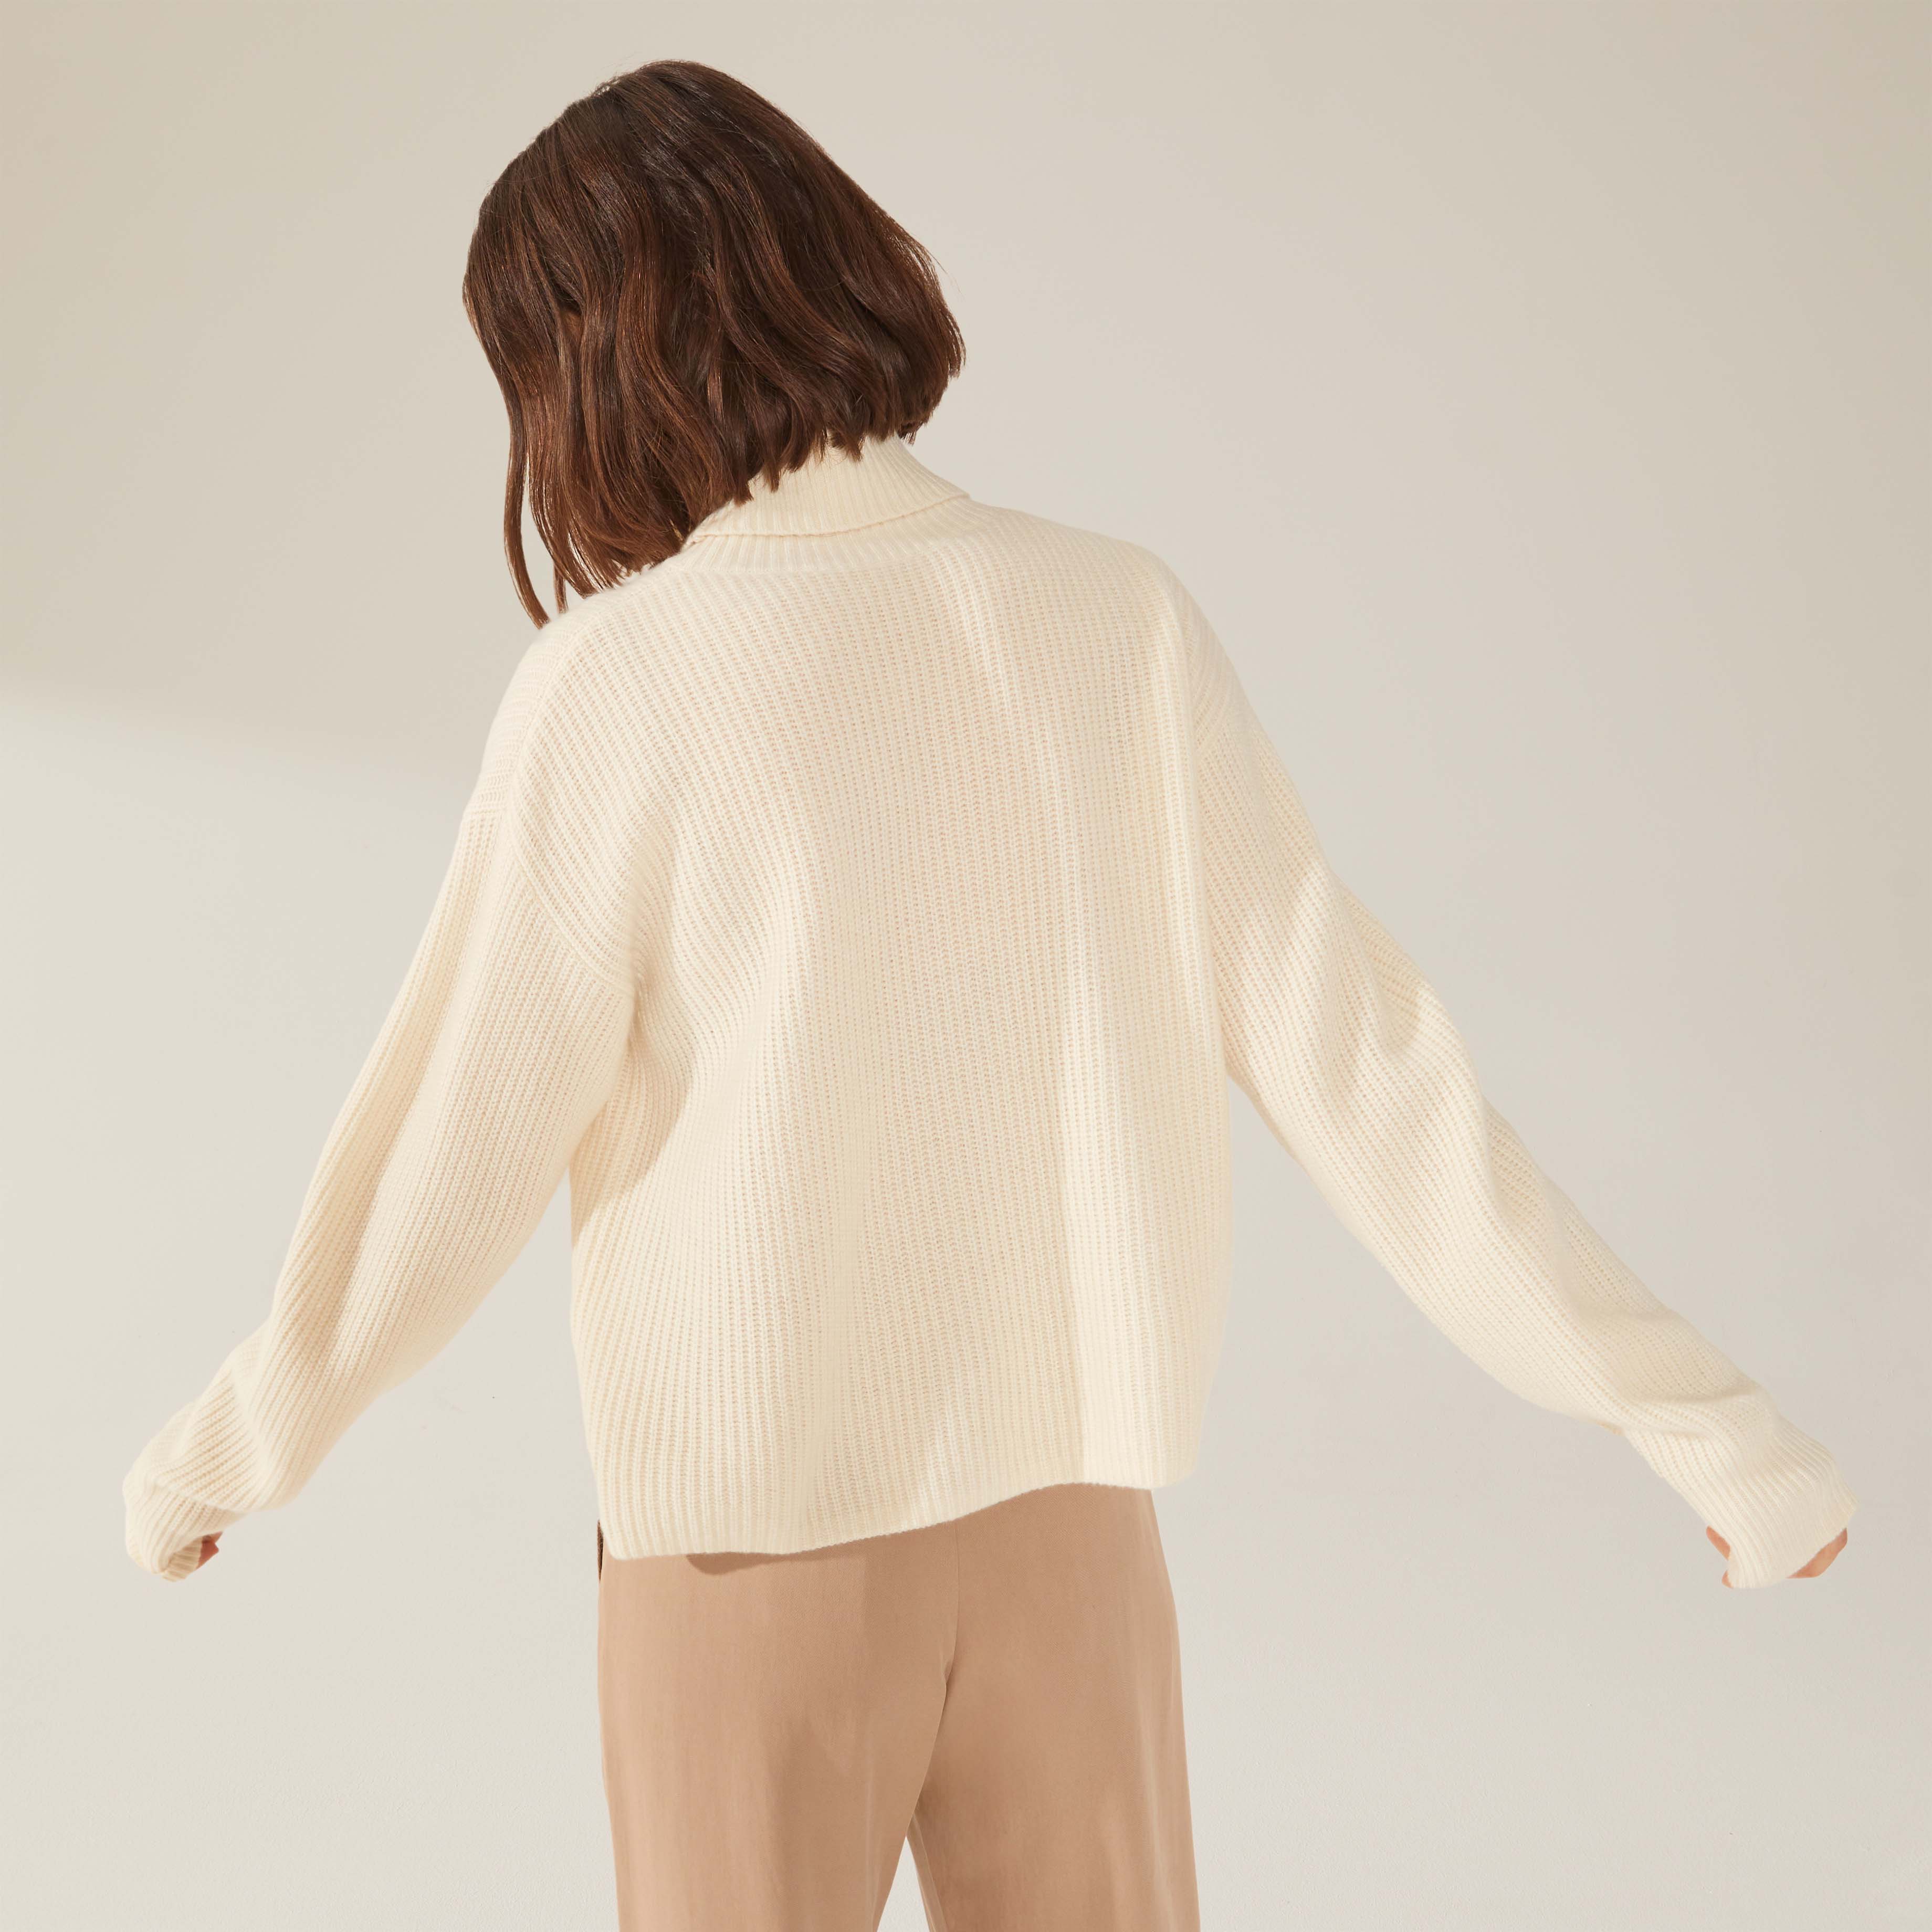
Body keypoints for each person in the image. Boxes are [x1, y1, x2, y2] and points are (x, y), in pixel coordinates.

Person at [123, 57, 1854, 1932]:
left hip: (748, 1570)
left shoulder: (620, 686)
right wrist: (1717, 1435)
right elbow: (1379, 1083)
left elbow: (450, 1147)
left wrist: (238, 1444)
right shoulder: (1118, 622)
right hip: (1076, 1549)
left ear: (586, 369)